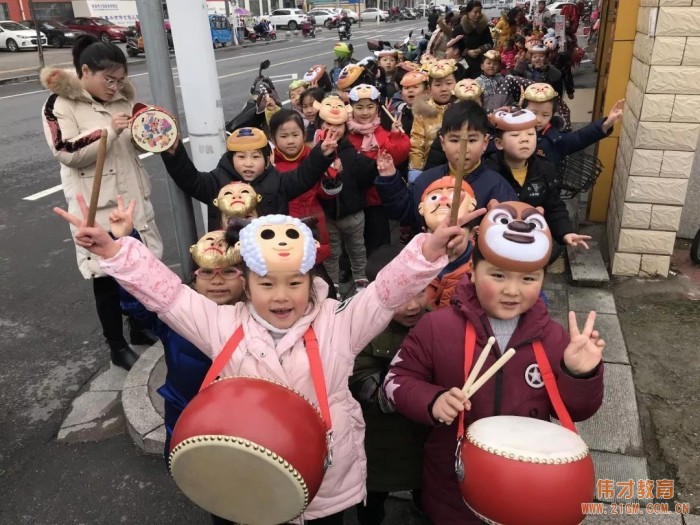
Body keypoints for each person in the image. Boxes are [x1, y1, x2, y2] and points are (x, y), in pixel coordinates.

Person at [54, 192, 484, 524]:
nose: (281, 296)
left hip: (326, 482)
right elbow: (166, 294)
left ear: (311, 279)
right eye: (267, 284)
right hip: (250, 478)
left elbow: (386, 291)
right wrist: (114, 252)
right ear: (247, 283)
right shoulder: (220, 325)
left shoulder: (340, 324)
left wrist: (427, 252)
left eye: (294, 283)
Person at [383, 201, 605, 525]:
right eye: (498, 275)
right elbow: (396, 380)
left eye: (529, 279)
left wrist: (579, 374)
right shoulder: (437, 327)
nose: (512, 291)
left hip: (528, 483)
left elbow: (575, 412)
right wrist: (432, 401)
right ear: (472, 271)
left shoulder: (553, 337)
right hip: (452, 484)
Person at [40, 34, 162, 371]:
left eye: (121, 80)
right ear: (85, 71)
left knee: (138, 269)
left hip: (132, 198)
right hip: (96, 206)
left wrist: (148, 130)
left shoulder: (121, 100)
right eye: (109, 80)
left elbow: (134, 148)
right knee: (106, 277)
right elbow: (66, 153)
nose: (115, 87)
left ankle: (139, 327)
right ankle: (116, 345)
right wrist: (108, 130)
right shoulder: (59, 104)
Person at [349, 245, 431, 525]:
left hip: (424, 441)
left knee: (428, 500)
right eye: (402, 296)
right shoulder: (360, 329)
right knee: (371, 506)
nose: (412, 305)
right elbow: (366, 387)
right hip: (378, 445)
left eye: (420, 292)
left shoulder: (437, 323)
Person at [160, 126, 338, 231]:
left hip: (268, 250)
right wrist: (175, 154)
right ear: (231, 159)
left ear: (268, 159)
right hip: (229, 254)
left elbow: (303, 176)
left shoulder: (278, 182)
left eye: (255, 157)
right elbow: (190, 180)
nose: (248, 163)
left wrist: (321, 154)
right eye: (241, 157)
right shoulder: (216, 181)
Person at [378, 101, 518, 232]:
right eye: (454, 140)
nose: (463, 148)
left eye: (472, 140)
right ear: (443, 142)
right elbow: (406, 213)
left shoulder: (496, 185)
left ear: (485, 142)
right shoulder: (427, 180)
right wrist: (390, 180)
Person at [484, 107, 591, 255]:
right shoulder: (488, 172)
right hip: (495, 245)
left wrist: (566, 233)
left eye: (530, 134)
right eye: (515, 135)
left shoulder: (545, 169)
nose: (525, 139)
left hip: (532, 243)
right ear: (499, 143)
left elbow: (553, 207)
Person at [269, 110, 333, 286]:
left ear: (304, 135)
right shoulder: (270, 166)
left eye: (295, 135)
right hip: (285, 228)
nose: (290, 141)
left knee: (318, 271)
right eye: (283, 136)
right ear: (273, 139)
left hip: (315, 223)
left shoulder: (316, 158)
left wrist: (332, 178)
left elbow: (326, 194)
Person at [346, 83, 410, 256]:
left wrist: (397, 136)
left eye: (370, 107)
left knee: (379, 240)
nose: (365, 112)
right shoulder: (345, 135)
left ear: (377, 108)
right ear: (351, 108)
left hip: (376, 198)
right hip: (353, 197)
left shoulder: (383, 133)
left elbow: (398, 156)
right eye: (359, 107)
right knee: (353, 240)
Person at [521, 83, 624, 165]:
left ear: (552, 115)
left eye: (545, 115)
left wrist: (606, 124)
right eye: (533, 113)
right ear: (522, 110)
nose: (538, 120)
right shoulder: (511, 132)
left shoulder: (556, 140)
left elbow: (580, 138)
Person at [408, 59, 458, 181]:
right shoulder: (422, 112)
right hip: (431, 170)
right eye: (438, 84)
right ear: (429, 89)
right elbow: (416, 144)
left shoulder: (463, 109)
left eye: (449, 83)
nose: (444, 88)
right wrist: (416, 171)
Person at [452, 0, 494, 79]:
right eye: (475, 12)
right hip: (463, 65)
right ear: (468, 12)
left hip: (480, 63)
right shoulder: (459, 29)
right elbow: (454, 48)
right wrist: (467, 52)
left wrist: (480, 50)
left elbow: (490, 44)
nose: (478, 15)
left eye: (479, 12)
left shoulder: (484, 28)